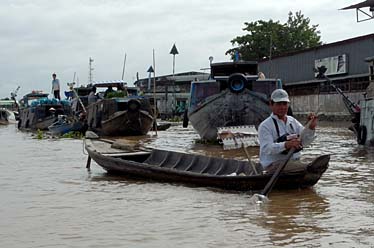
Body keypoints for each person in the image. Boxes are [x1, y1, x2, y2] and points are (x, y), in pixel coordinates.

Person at [258, 89, 318, 172]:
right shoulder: (265, 126)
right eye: (279, 104)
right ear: (271, 105)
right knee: (307, 168)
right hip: (273, 166)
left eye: (285, 104)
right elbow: (267, 148)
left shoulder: (293, 121)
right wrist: (286, 145)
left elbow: (305, 142)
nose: (282, 107)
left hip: (293, 163)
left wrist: (311, 128)